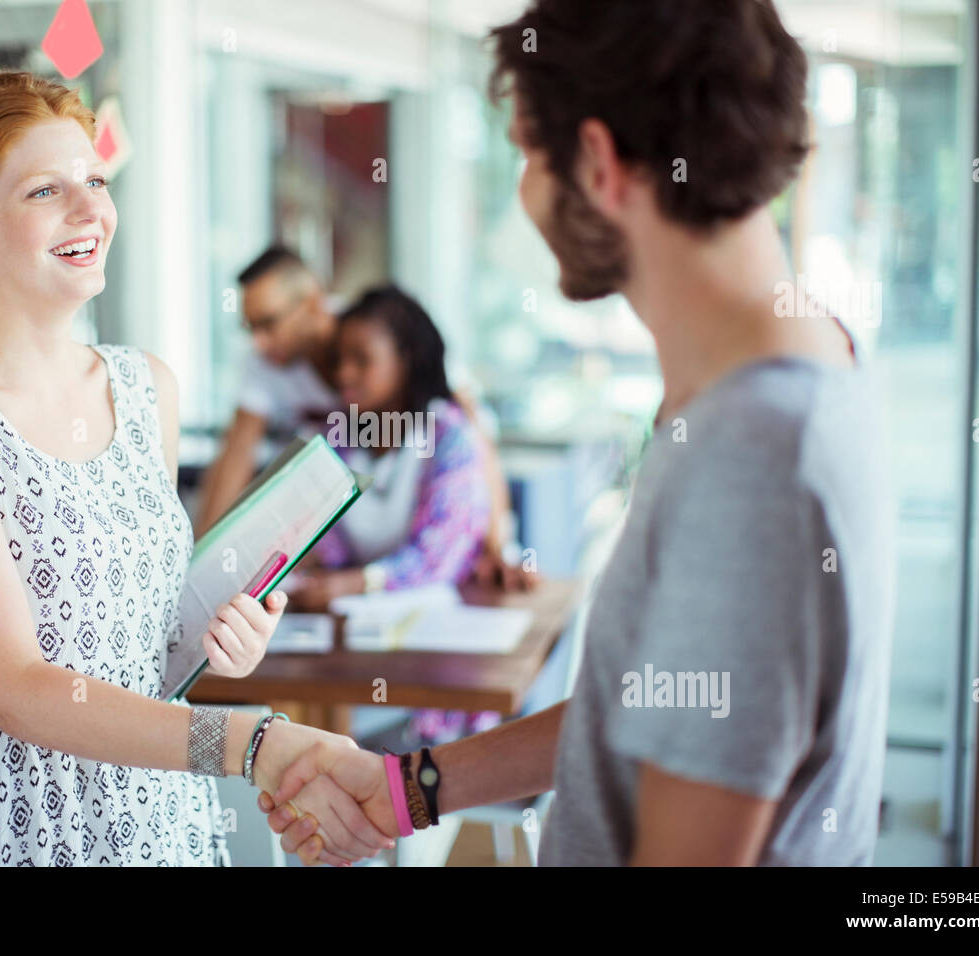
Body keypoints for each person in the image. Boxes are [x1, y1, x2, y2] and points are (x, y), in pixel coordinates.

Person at [258, 0, 896, 867]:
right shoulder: (789, 366)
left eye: (526, 154)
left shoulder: (751, 453)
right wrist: (410, 787)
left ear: (596, 163)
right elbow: (645, 703)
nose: (524, 193)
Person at [0, 67, 392, 866]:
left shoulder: (146, 385)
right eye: (45, 191)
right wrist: (254, 742)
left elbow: (144, 646)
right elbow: (14, 685)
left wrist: (221, 638)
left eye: (95, 179)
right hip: (15, 825)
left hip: (158, 812)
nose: (90, 211)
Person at [196, 246, 535, 590]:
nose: (259, 342)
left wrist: (499, 545)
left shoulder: (382, 328)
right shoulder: (275, 376)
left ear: (313, 302)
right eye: (250, 328)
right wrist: (203, 568)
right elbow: (235, 456)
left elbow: (474, 436)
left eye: (268, 323)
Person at [291, 284, 504, 745]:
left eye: (361, 360)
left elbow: (436, 559)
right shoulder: (337, 436)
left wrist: (351, 583)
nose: (344, 374)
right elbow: (320, 541)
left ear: (405, 358)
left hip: (432, 668)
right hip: (354, 653)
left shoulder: (449, 436)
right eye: (339, 360)